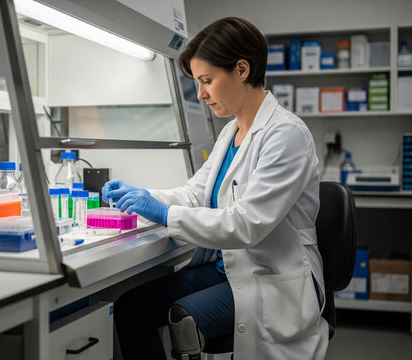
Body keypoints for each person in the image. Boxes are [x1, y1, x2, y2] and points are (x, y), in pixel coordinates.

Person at [102, 17, 328, 360]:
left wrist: (163, 213)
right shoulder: (230, 132)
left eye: (206, 80)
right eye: (197, 82)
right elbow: (196, 194)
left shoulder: (286, 134)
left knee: (177, 314)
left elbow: (246, 224)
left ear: (241, 69)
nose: (200, 94)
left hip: (272, 278)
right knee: (131, 308)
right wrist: (145, 197)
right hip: (229, 269)